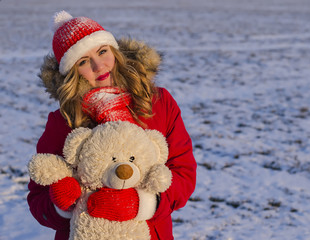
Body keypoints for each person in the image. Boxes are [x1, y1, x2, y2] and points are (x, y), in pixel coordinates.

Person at [27, 10, 197, 240]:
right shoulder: (63, 121)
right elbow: (38, 199)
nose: (99, 66)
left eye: (103, 51)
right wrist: (62, 203)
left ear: (114, 51)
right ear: (71, 73)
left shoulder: (158, 102)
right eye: (84, 62)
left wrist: (143, 204)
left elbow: (183, 173)